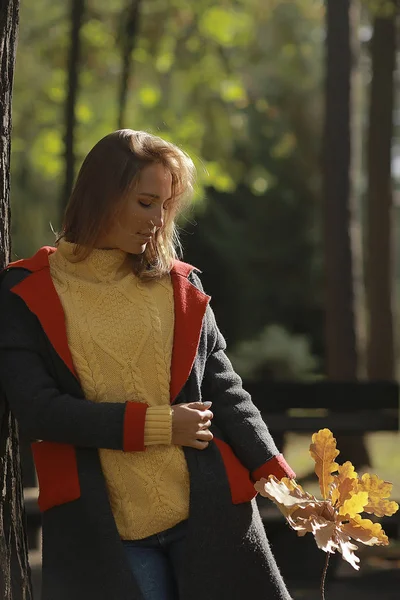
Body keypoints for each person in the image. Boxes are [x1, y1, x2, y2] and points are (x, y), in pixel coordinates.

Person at [0, 129, 295, 600]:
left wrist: (279, 479)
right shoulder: (26, 292)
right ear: (101, 196)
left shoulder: (180, 286)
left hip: (210, 516)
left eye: (165, 205)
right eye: (145, 203)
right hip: (106, 533)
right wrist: (160, 426)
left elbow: (225, 389)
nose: (158, 220)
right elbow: (40, 410)